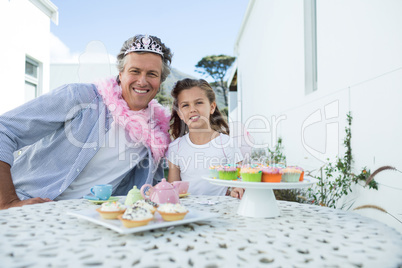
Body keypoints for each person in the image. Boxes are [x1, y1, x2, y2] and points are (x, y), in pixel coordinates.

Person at [0, 34, 173, 209]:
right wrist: (8, 201)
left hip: (96, 218)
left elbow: (156, 185)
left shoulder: (157, 134)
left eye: (152, 74)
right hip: (30, 204)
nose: (142, 81)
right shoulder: (80, 97)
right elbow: (4, 129)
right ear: (120, 74)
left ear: (160, 81)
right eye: (135, 71)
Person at [167, 78, 245, 199]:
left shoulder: (227, 143)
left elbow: (241, 180)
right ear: (180, 114)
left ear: (212, 107)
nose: (192, 109)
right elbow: (173, 189)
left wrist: (237, 189)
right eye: (185, 105)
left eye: (199, 102)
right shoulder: (175, 148)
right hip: (188, 213)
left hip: (221, 212)